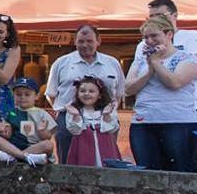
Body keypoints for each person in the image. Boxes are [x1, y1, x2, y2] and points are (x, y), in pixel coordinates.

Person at [125, 14, 197, 172]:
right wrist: (149, 71)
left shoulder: (188, 58)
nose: (150, 41)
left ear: (169, 34)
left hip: (177, 122)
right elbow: (128, 88)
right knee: (147, 173)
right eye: (146, 37)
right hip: (143, 122)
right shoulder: (141, 60)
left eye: (154, 35)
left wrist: (157, 63)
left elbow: (175, 82)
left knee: (180, 172)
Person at [44, 24, 125, 162]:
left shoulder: (112, 63)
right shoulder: (61, 62)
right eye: (81, 41)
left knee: (106, 160)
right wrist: (69, 110)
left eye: (89, 41)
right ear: (74, 41)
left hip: (104, 117)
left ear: (99, 41)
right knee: (69, 161)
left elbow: (119, 93)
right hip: (69, 118)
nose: (85, 45)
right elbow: (51, 94)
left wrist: (108, 111)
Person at [0, 77, 54, 165]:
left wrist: (42, 131)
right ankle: (25, 157)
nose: (23, 97)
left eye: (27, 94)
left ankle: (13, 157)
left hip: (34, 148)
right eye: (18, 94)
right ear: (13, 95)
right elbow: (8, 135)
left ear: (36, 96)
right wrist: (3, 132)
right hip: (14, 146)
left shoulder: (42, 114)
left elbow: (47, 137)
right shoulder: (12, 113)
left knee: (48, 145)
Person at [63, 76, 120, 167]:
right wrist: (76, 116)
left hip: (106, 148)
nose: (86, 94)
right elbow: (75, 131)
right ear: (77, 94)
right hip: (83, 148)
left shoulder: (107, 109)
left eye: (91, 91)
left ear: (100, 95)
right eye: (82, 91)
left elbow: (111, 129)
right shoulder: (75, 110)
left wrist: (106, 115)